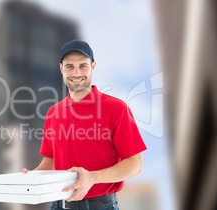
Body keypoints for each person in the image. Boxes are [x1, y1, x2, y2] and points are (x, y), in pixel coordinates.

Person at [21, 39, 147, 210]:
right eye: (70, 66)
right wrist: (32, 177)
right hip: (58, 205)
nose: (77, 72)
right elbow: (51, 160)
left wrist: (92, 178)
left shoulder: (116, 109)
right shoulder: (53, 113)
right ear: (61, 69)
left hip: (100, 206)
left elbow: (135, 165)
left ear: (93, 66)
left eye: (83, 66)